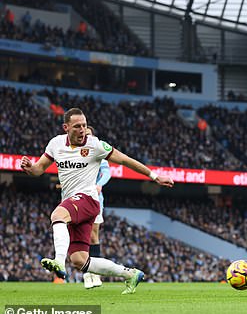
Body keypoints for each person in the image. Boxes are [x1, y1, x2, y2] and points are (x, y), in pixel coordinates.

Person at [20, 108, 174, 294]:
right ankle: (130, 274)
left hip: (88, 200)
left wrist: (155, 176)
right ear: (66, 127)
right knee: (80, 260)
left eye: (84, 125)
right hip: (72, 203)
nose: (82, 130)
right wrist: (29, 168)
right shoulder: (56, 144)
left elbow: (125, 160)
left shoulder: (96, 145)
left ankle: (58, 262)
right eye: (77, 126)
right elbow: (38, 169)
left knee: (57, 215)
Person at [82, 126, 110, 289]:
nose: (87, 137)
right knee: (82, 236)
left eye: (90, 135)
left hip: (96, 200)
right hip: (78, 200)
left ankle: (96, 273)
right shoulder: (74, 155)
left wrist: (99, 185)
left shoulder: (99, 155)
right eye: (85, 135)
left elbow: (107, 173)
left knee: (93, 235)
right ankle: (87, 274)